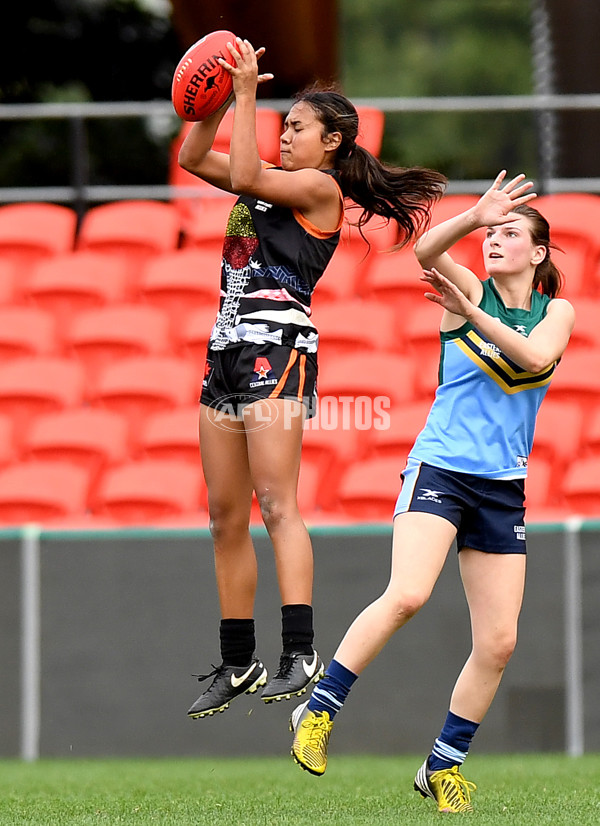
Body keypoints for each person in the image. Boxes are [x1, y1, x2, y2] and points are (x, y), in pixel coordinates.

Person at [178, 36, 447, 720]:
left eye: (296, 126)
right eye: (284, 124)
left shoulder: (317, 188)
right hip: (225, 349)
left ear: (332, 142)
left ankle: (301, 651)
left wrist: (243, 94)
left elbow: (240, 175)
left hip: (278, 347)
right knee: (223, 518)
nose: (285, 134)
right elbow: (191, 157)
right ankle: (239, 661)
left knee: (277, 505)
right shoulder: (271, 178)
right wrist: (209, 102)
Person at [290, 170, 575, 813]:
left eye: (511, 234)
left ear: (538, 253)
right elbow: (422, 252)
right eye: (491, 233)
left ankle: (441, 766)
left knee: (499, 643)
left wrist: (472, 315)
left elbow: (533, 360)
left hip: (502, 488)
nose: (496, 241)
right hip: (442, 469)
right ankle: (320, 709)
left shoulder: (553, 310)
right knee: (409, 593)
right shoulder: (467, 287)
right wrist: (474, 215)